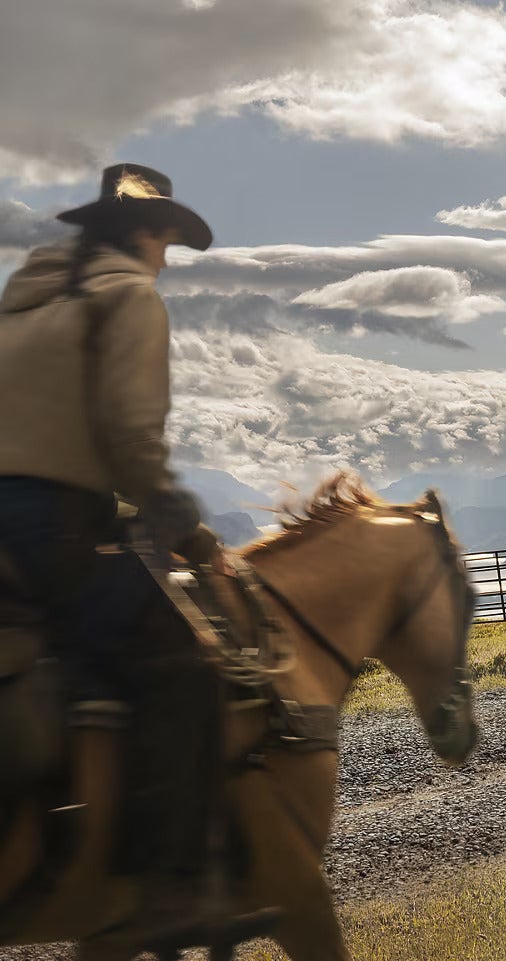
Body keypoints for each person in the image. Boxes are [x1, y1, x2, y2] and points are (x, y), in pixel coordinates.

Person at [0, 163, 274, 946]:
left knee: (80, 651)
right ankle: (166, 891)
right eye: (168, 240)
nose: (168, 258)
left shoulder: (24, 302)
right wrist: (189, 530)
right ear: (145, 233)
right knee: (184, 665)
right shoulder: (129, 296)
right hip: (49, 524)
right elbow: (129, 440)